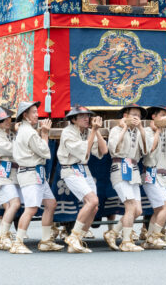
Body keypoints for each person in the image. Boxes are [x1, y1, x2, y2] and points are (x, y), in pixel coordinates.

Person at [11, 100, 64, 254]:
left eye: (36, 112)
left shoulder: (25, 130)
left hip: (35, 173)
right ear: (25, 116)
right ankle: (18, 242)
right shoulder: (29, 132)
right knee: (31, 208)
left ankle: (46, 240)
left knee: (51, 203)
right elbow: (45, 152)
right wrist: (45, 134)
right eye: (33, 112)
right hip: (30, 172)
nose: (37, 115)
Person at [58, 104, 107, 253]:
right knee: (93, 200)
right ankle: (73, 236)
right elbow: (83, 150)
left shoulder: (88, 132)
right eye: (83, 117)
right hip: (71, 169)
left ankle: (77, 240)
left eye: (88, 116)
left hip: (84, 170)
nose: (87, 119)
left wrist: (96, 131)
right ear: (73, 119)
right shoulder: (67, 132)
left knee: (94, 207)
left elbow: (103, 150)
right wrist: (93, 131)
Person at [105, 103, 147, 252]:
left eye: (139, 115)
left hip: (133, 171)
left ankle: (113, 232)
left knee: (138, 210)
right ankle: (126, 241)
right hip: (120, 168)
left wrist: (141, 128)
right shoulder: (116, 129)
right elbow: (113, 147)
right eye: (134, 114)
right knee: (130, 206)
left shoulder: (138, 131)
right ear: (125, 116)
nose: (137, 118)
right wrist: (123, 128)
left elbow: (147, 149)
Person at [140, 105, 166, 250]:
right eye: (162, 115)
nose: (165, 117)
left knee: (158, 209)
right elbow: (150, 149)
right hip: (150, 173)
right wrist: (157, 131)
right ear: (154, 116)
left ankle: (149, 240)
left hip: (162, 176)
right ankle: (155, 236)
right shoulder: (147, 131)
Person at [0, 105, 21, 251]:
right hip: (4, 174)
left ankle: (5, 234)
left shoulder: (11, 134)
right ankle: (2, 235)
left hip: (14, 173)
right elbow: (12, 149)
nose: (8, 121)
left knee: (12, 205)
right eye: (4, 120)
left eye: (9, 118)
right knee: (14, 203)